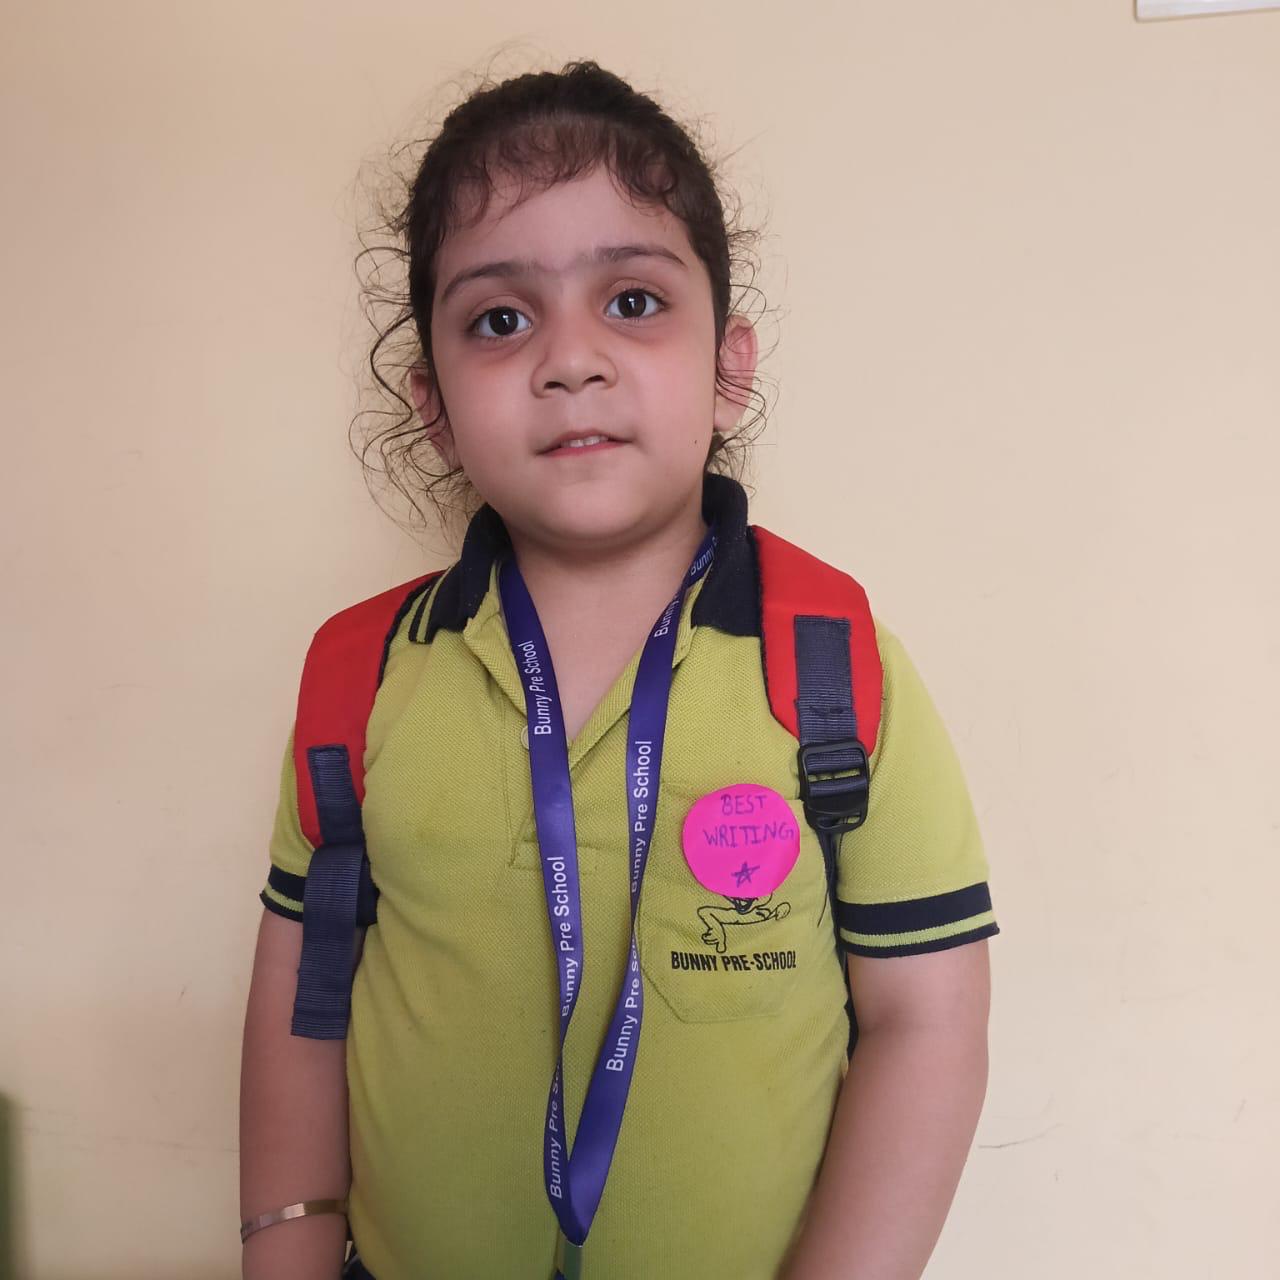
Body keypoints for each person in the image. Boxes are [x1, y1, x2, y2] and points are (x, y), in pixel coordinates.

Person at [239, 58, 999, 1280]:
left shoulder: (835, 668)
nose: (569, 359)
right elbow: (302, 1004)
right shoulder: (360, 676)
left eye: (632, 301)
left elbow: (927, 1025)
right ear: (432, 404)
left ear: (728, 365)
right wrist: (283, 1246)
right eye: (500, 319)